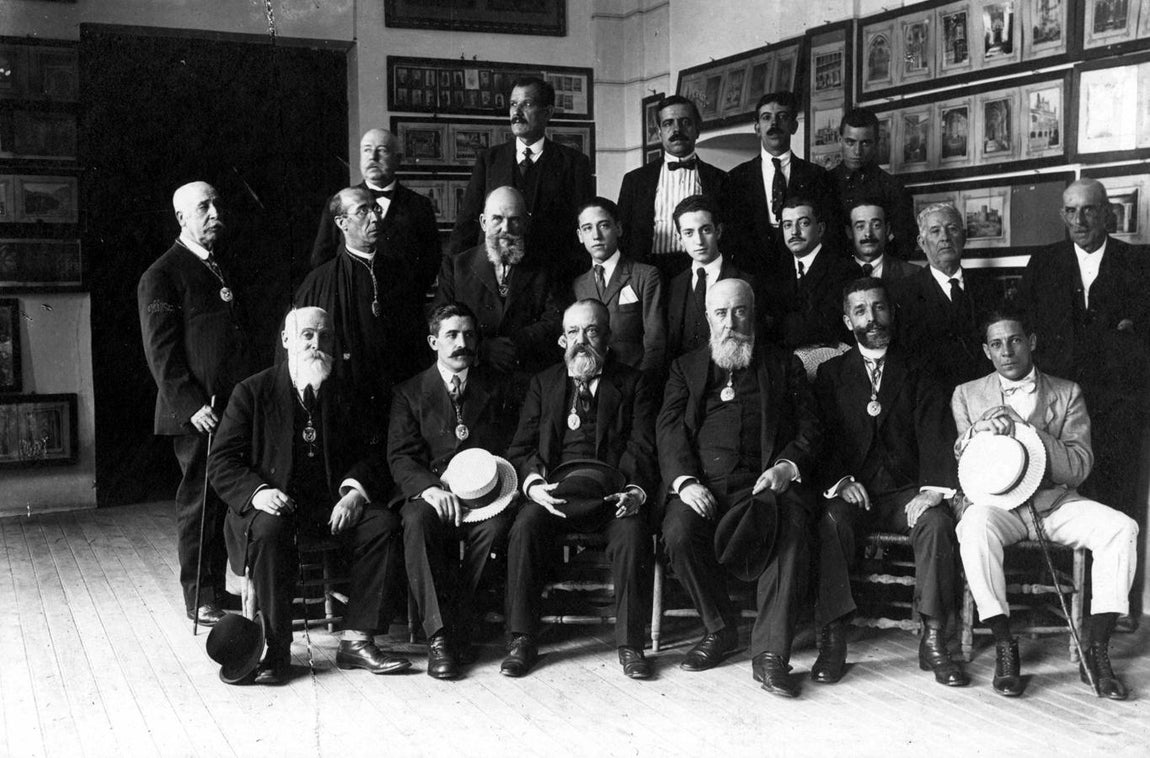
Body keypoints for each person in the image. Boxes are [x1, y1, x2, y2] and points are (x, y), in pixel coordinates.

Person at [208, 307, 410, 684]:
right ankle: (277, 649)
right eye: (307, 336)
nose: (317, 344)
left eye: (325, 337)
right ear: (286, 341)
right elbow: (221, 463)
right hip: (273, 508)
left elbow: (375, 453)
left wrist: (354, 493)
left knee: (382, 523)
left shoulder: (347, 392)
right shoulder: (252, 392)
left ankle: (356, 640)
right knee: (268, 531)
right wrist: (259, 492)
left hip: (331, 508)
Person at [951, 309, 1139, 700]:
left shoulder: (1066, 392)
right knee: (973, 526)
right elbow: (966, 467)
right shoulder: (967, 394)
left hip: (1054, 503)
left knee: (1121, 527)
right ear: (987, 351)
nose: (1008, 352)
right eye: (997, 344)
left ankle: (1098, 648)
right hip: (1000, 508)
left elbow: (1078, 467)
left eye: (1016, 340)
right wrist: (978, 432)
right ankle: (1004, 644)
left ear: (1032, 342)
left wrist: (1026, 429)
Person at [658, 278, 821, 698]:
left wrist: (787, 467)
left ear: (753, 313)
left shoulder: (784, 365)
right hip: (704, 486)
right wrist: (685, 482)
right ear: (707, 318)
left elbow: (811, 430)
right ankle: (720, 629)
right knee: (677, 532)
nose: (730, 323)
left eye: (739, 311)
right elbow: (670, 430)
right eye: (720, 313)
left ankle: (770, 654)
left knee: (792, 530)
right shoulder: (685, 367)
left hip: (767, 485)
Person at [813, 278, 965, 687]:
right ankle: (833, 638)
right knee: (830, 522)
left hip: (905, 492)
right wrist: (840, 480)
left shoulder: (920, 368)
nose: (872, 318)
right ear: (848, 320)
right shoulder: (830, 374)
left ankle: (934, 637)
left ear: (892, 312)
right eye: (860, 311)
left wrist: (933, 489)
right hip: (853, 491)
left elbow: (936, 431)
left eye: (879, 308)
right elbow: (819, 439)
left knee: (936, 524)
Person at [1015, 178, 1150, 623]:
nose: (1080, 220)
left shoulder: (1137, 263)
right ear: (1062, 216)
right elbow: (1027, 334)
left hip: (1119, 408)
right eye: (1071, 211)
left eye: (1089, 210)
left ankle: (1114, 607)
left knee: (1117, 501)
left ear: (1107, 213)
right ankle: (1055, 603)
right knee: (1060, 499)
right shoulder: (1044, 263)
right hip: (1060, 409)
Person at [502, 300, 657, 679]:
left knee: (633, 533)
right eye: (573, 332)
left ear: (607, 337)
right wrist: (535, 485)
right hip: (555, 493)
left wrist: (633, 490)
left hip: (611, 494)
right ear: (561, 340)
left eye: (591, 332)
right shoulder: (544, 383)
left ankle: (630, 645)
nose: (581, 341)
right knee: (524, 527)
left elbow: (642, 446)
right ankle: (522, 639)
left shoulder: (634, 383)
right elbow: (521, 448)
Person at [137, 180, 253, 627]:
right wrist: (189, 405)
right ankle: (199, 598)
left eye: (216, 203)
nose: (213, 212)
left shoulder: (219, 266)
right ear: (182, 218)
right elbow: (160, 350)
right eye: (203, 206)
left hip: (230, 408)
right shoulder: (162, 274)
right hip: (197, 415)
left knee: (223, 501)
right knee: (199, 503)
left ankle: (214, 588)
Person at [387, 303, 517, 680]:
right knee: (415, 519)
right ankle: (440, 638)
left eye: (469, 335)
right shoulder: (409, 392)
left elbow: (510, 445)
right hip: (434, 493)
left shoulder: (496, 387)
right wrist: (429, 489)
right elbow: (400, 456)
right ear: (433, 342)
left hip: (485, 495)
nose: (462, 343)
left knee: (496, 528)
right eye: (452, 335)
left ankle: (461, 623)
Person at [296, 186, 427, 450]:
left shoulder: (400, 273)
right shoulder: (318, 282)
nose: (375, 217)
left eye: (375, 209)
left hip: (398, 400)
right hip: (344, 405)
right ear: (342, 223)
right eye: (363, 211)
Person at [449, 76, 593, 282]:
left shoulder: (574, 163)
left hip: (551, 280)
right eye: (513, 104)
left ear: (548, 112)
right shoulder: (489, 161)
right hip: (494, 279)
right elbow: (466, 227)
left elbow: (582, 229)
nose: (516, 113)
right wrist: (459, 278)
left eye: (527, 104)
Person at [434, 186, 563, 399]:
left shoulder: (545, 267)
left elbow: (555, 320)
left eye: (514, 219)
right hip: (472, 380)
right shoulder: (457, 266)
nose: (506, 228)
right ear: (484, 222)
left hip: (529, 382)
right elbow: (441, 320)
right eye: (497, 219)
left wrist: (513, 345)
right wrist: (482, 347)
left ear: (526, 222)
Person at [309, 128, 441, 299]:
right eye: (367, 150)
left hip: (403, 308)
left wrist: (408, 294)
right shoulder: (339, 202)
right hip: (351, 301)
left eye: (382, 150)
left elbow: (432, 259)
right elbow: (321, 259)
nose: (373, 157)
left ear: (397, 159)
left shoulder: (419, 205)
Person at [724, 92, 840, 280]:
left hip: (803, 275)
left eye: (782, 117)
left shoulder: (817, 176)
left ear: (794, 126)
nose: (774, 125)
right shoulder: (736, 178)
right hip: (752, 275)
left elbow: (829, 232)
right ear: (757, 128)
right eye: (766, 118)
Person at [616, 95, 728, 280]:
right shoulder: (635, 180)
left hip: (703, 271)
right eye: (668, 123)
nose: (677, 129)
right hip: (649, 273)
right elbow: (623, 236)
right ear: (659, 132)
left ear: (697, 130)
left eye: (685, 122)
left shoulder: (720, 179)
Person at [890, 202, 991, 389]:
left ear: (964, 237)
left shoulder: (987, 287)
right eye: (935, 231)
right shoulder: (904, 293)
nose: (945, 238)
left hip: (983, 393)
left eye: (952, 229)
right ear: (921, 242)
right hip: (931, 398)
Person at [571, 197, 666, 375]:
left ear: (619, 228)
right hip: (595, 382)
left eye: (604, 225)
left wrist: (641, 386)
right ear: (580, 236)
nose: (596, 235)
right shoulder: (579, 285)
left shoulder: (645, 276)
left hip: (636, 380)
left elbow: (655, 342)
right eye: (587, 228)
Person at [664, 194, 754, 361]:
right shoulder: (674, 285)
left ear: (718, 231)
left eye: (705, 230)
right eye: (689, 233)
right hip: (685, 379)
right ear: (680, 239)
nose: (699, 241)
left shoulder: (745, 281)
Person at [763, 197, 856, 350]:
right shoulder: (774, 272)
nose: (794, 231)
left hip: (828, 359)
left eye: (803, 223)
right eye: (787, 225)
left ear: (820, 229)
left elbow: (828, 326)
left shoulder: (844, 270)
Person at [831, 108, 916, 261]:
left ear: (877, 142)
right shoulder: (823, 182)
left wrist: (875, 267)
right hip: (833, 276)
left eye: (865, 143)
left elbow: (905, 244)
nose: (857, 151)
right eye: (850, 142)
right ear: (839, 141)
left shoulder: (893, 188)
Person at [846, 199, 918, 281]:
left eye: (876, 225)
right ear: (850, 232)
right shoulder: (835, 275)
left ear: (887, 229)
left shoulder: (913, 274)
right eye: (860, 227)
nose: (868, 234)